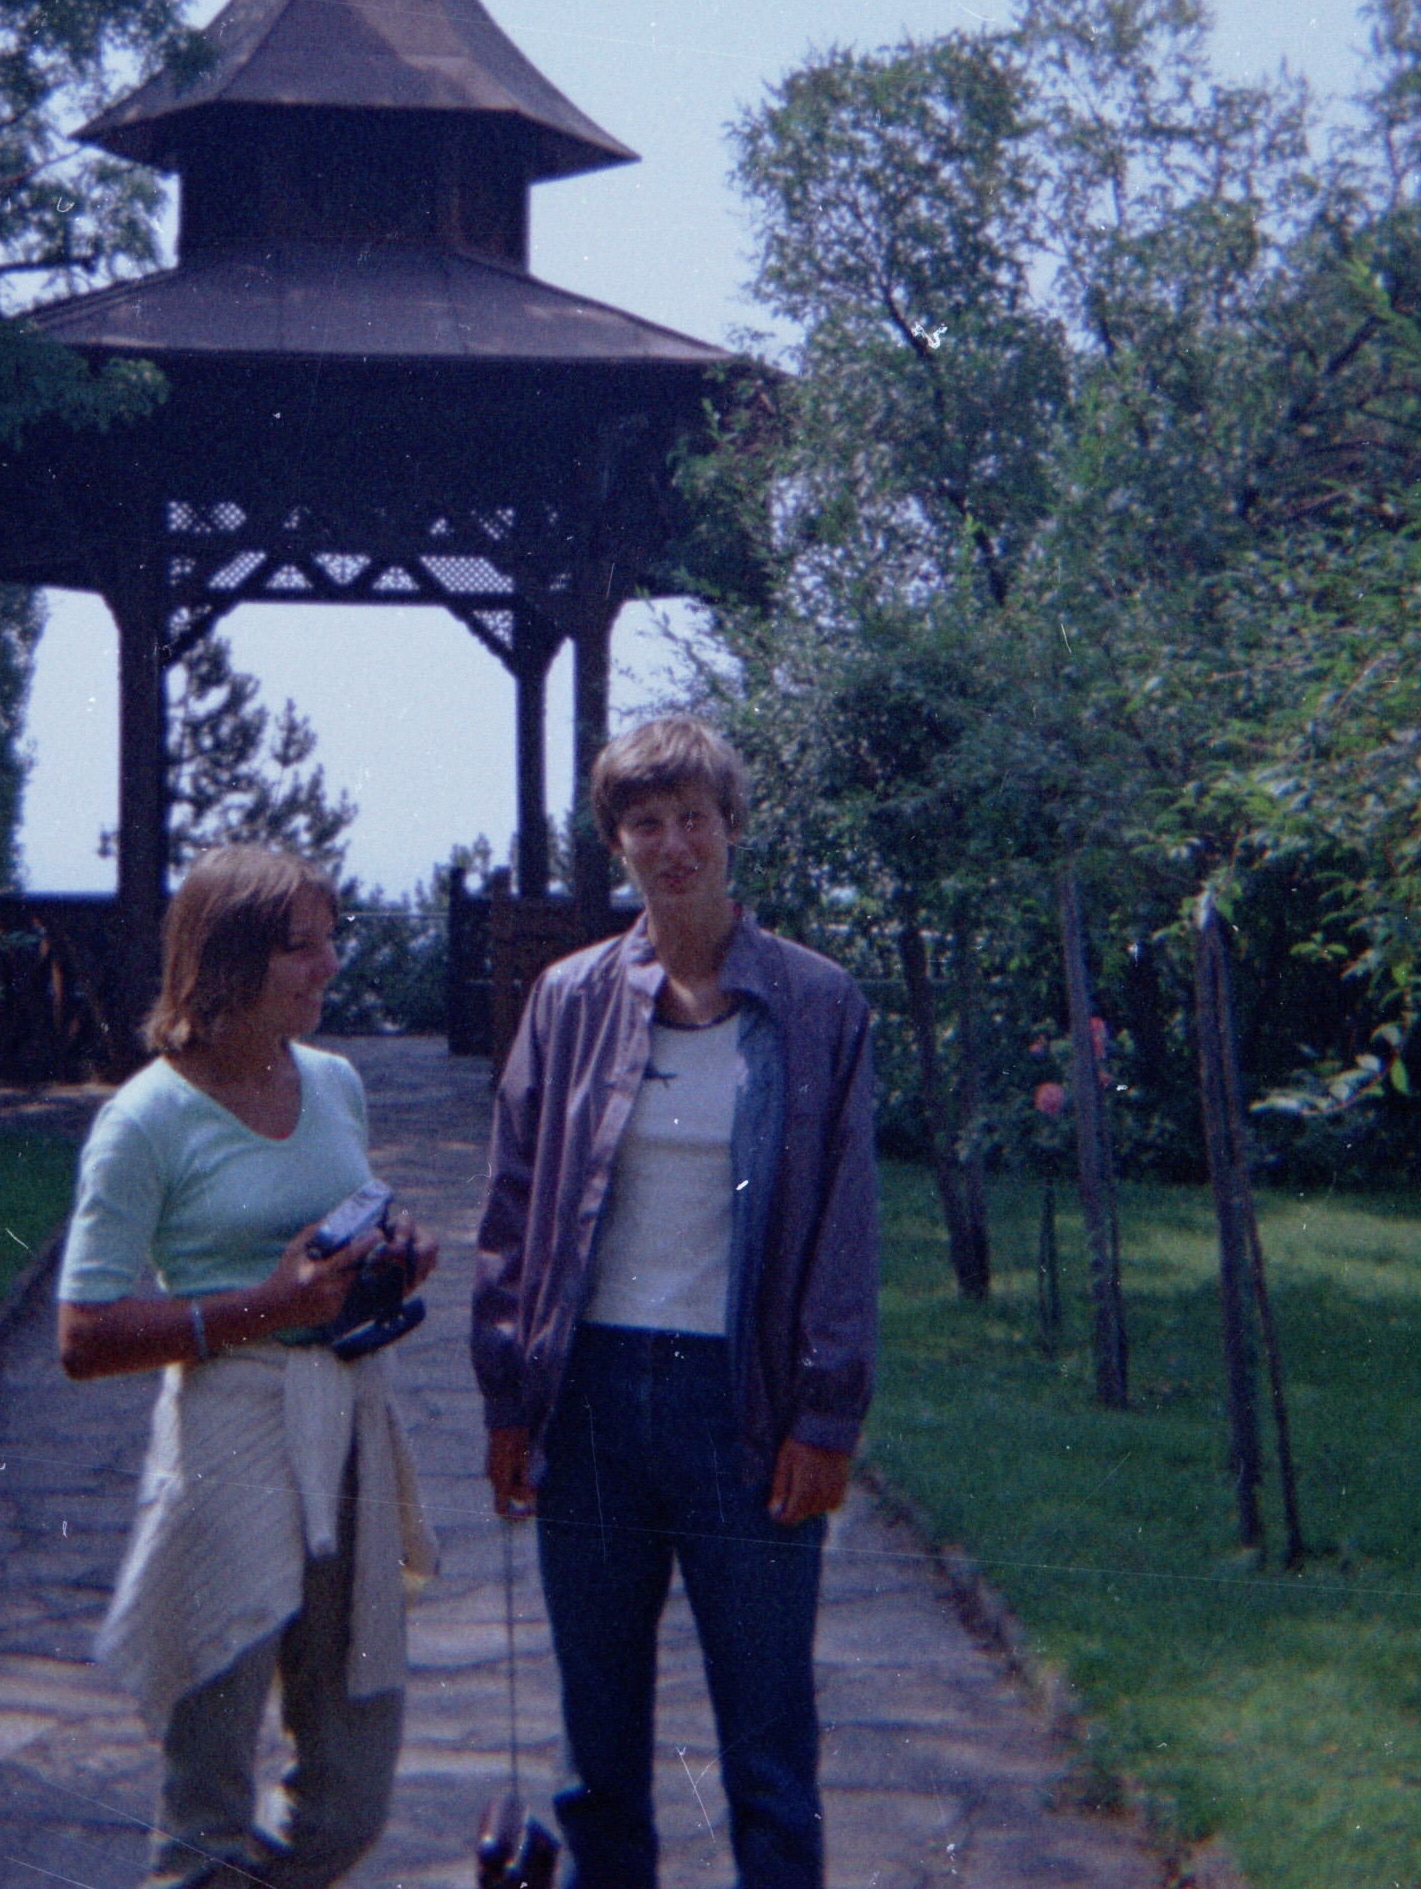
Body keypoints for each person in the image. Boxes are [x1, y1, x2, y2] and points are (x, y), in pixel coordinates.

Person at [470, 717, 877, 1889]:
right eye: (645, 821)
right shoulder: (568, 1000)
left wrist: (826, 1416)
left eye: (694, 815)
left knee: (768, 1748)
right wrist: (509, 1395)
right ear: (618, 843)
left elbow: (846, 1225)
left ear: (731, 825)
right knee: (596, 1755)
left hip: (744, 1409)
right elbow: (512, 1204)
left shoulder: (818, 1003)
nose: (673, 843)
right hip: (591, 1401)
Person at [59, 846, 439, 1889]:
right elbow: (82, 1335)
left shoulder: (335, 1083)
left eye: (330, 940)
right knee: (209, 1795)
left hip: (347, 1429)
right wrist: (272, 1304)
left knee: (349, 1796)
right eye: (301, 947)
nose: (331, 965)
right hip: (229, 1446)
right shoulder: (145, 1119)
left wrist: (387, 1258)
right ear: (226, 963)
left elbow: (329, 1242)